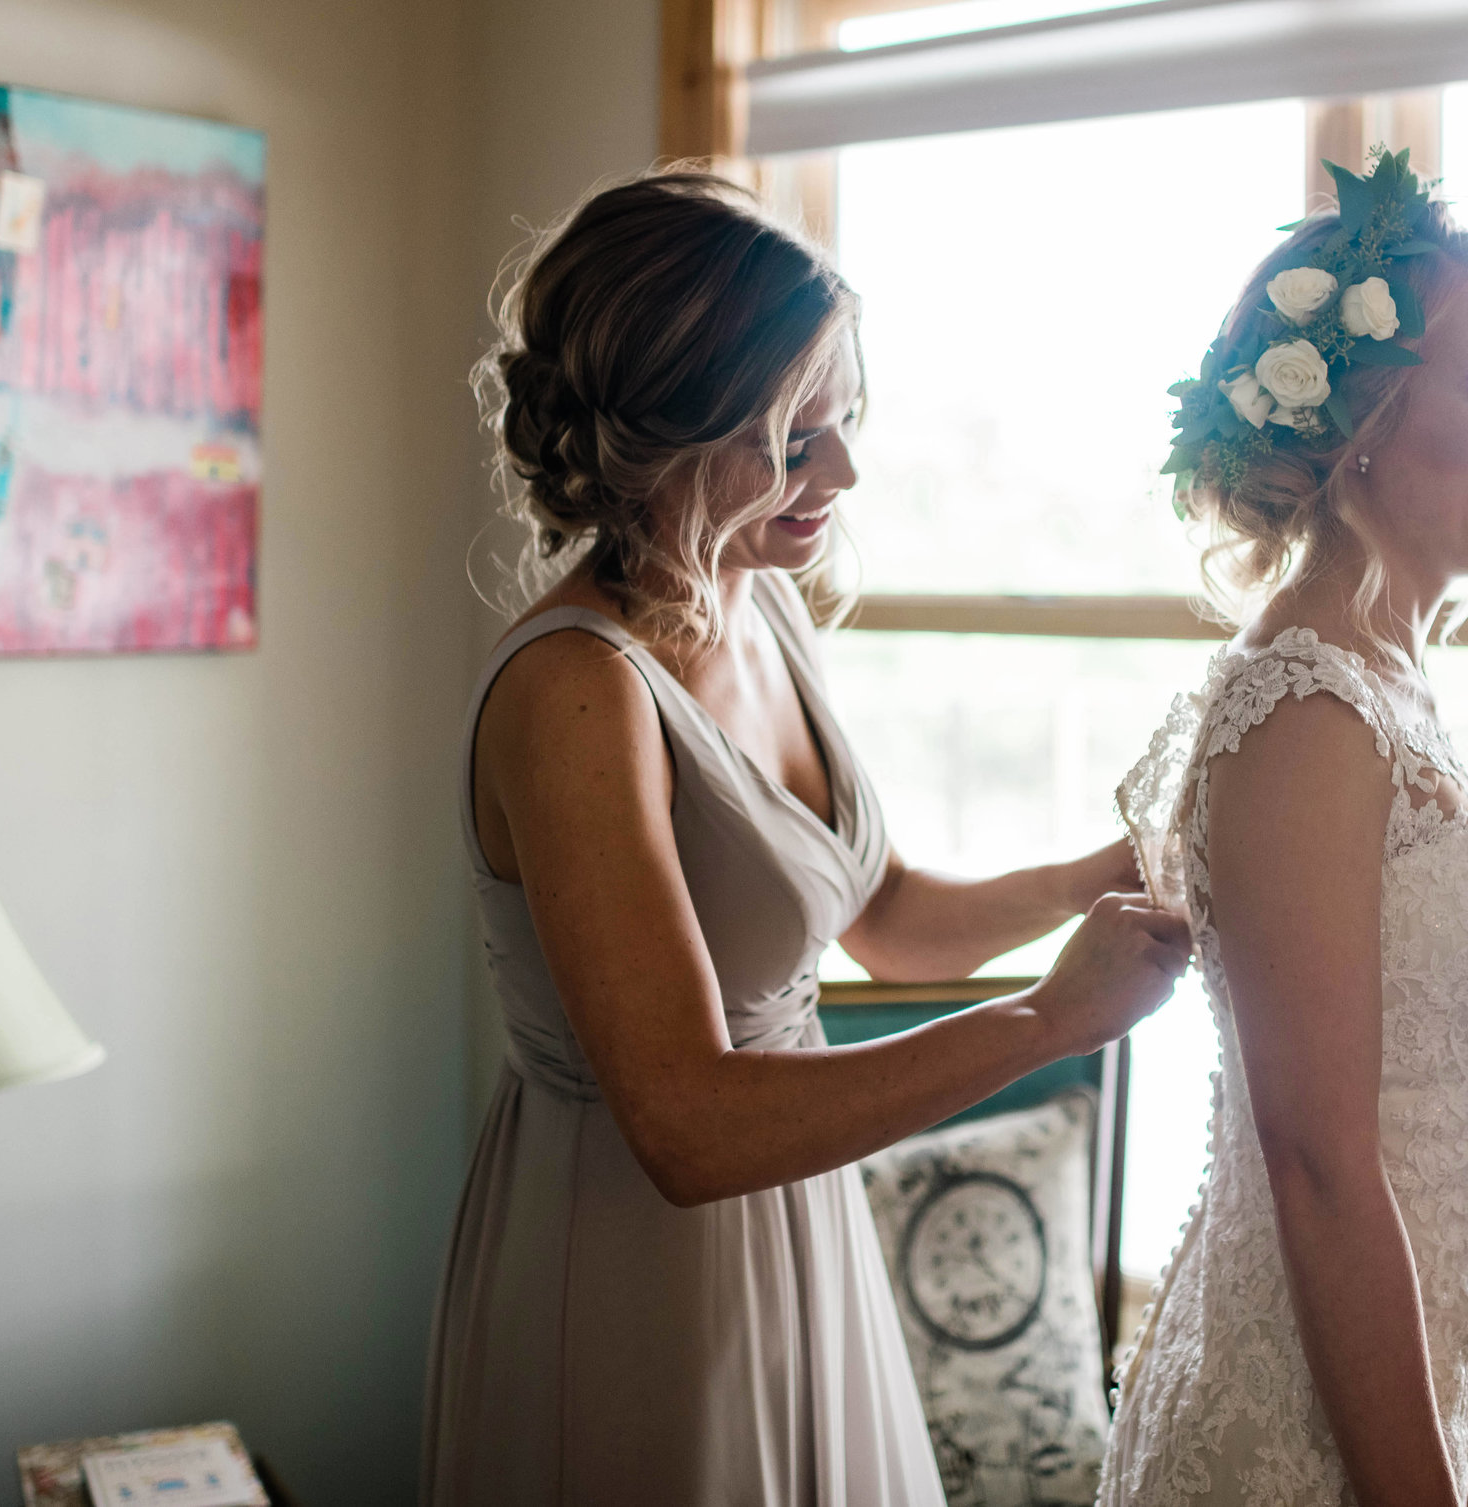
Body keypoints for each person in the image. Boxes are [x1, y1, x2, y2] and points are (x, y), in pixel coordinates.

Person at [423, 171, 1191, 1507]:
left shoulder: (754, 600)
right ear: (662, 439)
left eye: (842, 424)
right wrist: (1044, 1025)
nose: (840, 471)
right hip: (632, 1261)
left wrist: (1102, 875)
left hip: (799, 1220)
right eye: (793, 439)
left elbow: (882, 918)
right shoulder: (576, 692)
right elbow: (684, 1125)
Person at [1102, 151, 1468, 1507]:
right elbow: (1317, 1162)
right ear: (1358, 422)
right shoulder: (1302, 707)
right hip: (1292, 1436)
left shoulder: (1382, 680)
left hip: (1389, 1382)